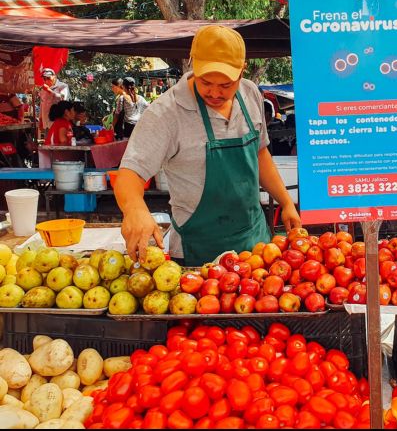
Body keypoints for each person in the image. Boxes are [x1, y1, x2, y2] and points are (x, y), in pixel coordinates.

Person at [115, 25, 301, 266]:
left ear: (242, 72)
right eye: (206, 82)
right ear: (193, 64)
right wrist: (135, 209)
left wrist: (286, 202)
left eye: (225, 85)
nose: (214, 92)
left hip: (255, 244)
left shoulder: (250, 94)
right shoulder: (165, 113)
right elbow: (129, 174)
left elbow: (260, 154)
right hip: (199, 252)